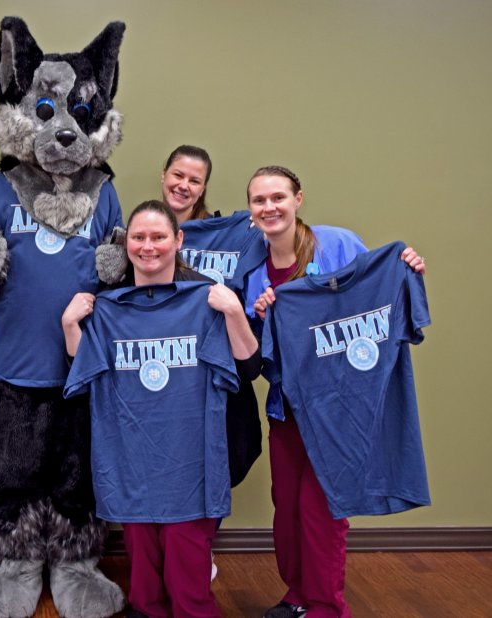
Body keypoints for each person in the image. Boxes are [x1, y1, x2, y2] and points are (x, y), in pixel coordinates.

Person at [62, 200, 258, 618]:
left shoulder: (207, 301)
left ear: (178, 240)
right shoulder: (106, 307)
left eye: (158, 237)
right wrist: (70, 325)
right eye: (139, 237)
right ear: (126, 243)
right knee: (145, 591)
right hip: (129, 462)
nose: (147, 246)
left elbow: (247, 368)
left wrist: (235, 310)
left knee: (190, 592)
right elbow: (83, 375)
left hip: (191, 466)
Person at [245, 166, 426, 618]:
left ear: (298, 199)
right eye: (259, 200)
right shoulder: (254, 277)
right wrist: (263, 313)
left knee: (322, 508)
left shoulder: (338, 244)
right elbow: (252, 348)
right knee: (286, 507)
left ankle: (326, 605)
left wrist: (407, 270)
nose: (269, 207)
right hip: (288, 407)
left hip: (341, 409)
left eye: (278, 197)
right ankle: (297, 594)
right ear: (250, 211)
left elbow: (374, 294)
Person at [160, 145, 266, 582]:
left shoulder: (238, 233)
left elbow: (292, 238)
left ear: (205, 186)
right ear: (163, 174)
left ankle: (198, 549)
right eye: (178, 175)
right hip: (169, 367)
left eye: (195, 180)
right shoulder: (144, 230)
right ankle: (168, 556)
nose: (184, 186)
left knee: (224, 457)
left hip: (222, 364)